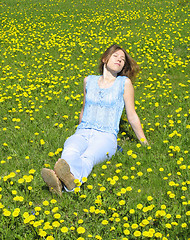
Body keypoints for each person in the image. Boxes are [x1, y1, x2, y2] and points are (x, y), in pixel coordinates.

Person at [41, 44, 148, 196]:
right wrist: (78, 133)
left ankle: (67, 183)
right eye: (115, 56)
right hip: (83, 131)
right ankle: (65, 182)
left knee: (88, 156)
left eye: (123, 59)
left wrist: (144, 142)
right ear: (105, 59)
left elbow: (131, 115)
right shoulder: (88, 81)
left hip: (106, 135)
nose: (120, 60)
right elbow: (84, 109)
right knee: (70, 149)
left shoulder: (124, 83)